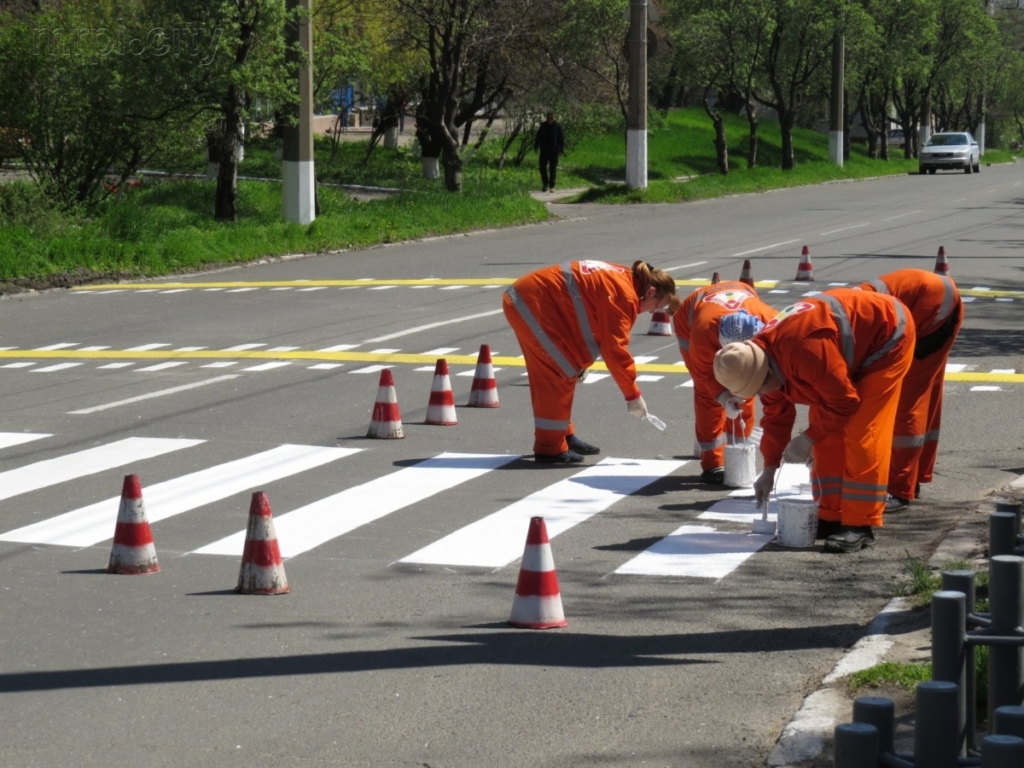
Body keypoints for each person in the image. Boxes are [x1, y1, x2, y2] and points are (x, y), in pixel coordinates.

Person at [712, 289, 916, 553]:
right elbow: (776, 416)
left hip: (888, 336)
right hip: (842, 351)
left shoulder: (803, 351)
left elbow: (845, 401)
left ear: (765, 375)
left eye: (760, 390)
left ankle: (860, 524)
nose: (763, 395)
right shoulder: (763, 359)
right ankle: (831, 515)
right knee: (825, 432)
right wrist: (770, 469)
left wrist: (806, 438)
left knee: (862, 430)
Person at [503, 260, 681, 463]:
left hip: (536, 300)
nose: (651, 312)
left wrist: (583, 360)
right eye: (658, 306)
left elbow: (593, 319)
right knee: (558, 372)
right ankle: (550, 448)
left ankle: (563, 435)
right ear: (650, 292)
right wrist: (633, 395)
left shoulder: (625, 280)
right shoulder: (624, 296)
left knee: (567, 368)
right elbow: (615, 351)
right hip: (532, 303)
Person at [858, 268, 963, 512]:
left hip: (934, 310)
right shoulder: (840, 311)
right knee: (925, 392)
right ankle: (914, 477)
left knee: (908, 400)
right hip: (932, 302)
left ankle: (899, 489)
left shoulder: (847, 321)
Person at [673, 282, 777, 484]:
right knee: (707, 396)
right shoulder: (703, 334)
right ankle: (712, 463)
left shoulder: (771, 324)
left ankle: (739, 453)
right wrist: (723, 396)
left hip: (738, 293)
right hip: (689, 322)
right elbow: (705, 375)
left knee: (746, 390)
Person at [535, 111, 565, 193]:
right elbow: (538, 136)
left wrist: (561, 150)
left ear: (554, 118)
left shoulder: (558, 127)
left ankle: (552, 186)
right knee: (542, 167)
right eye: (548, 118)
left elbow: (561, 139)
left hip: (554, 151)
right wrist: (536, 146)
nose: (550, 120)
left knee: (552, 169)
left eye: (551, 118)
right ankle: (545, 184)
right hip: (544, 150)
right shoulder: (543, 126)